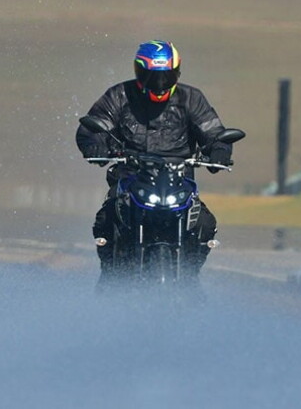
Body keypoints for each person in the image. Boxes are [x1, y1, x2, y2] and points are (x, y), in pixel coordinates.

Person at [76, 40, 235, 280]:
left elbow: (213, 131)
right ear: (139, 72)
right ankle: (110, 275)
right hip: (130, 177)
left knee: (204, 222)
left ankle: (190, 275)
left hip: (178, 180)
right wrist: (96, 145)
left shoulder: (192, 99)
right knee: (106, 218)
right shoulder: (119, 95)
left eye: (165, 76)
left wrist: (219, 150)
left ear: (176, 73)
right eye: (152, 77)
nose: (159, 84)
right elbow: (93, 127)